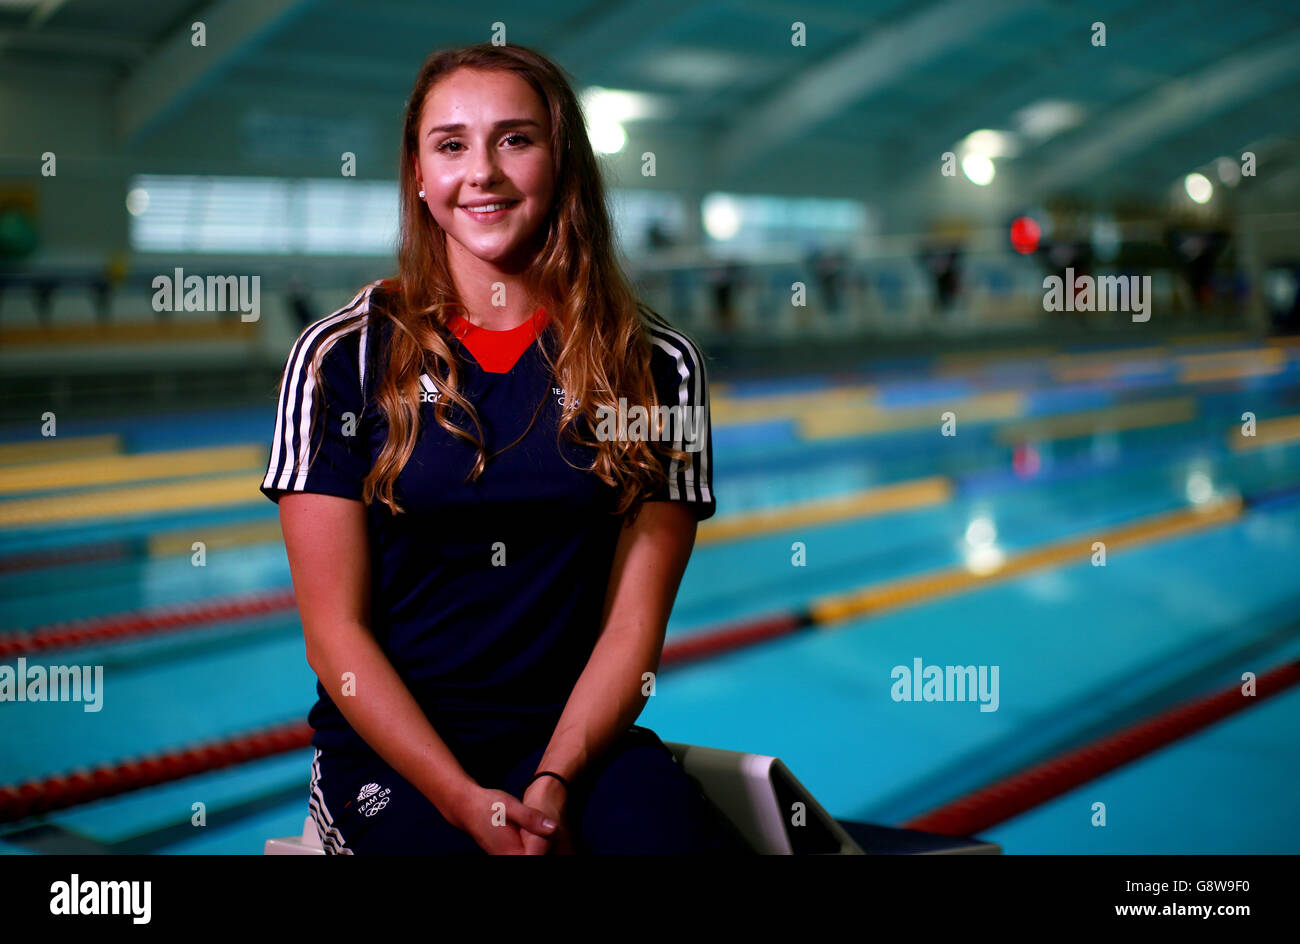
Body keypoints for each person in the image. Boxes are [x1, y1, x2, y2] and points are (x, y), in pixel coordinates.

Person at [258, 42, 746, 855]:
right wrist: (458, 797)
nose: (481, 171)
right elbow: (333, 633)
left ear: (563, 163)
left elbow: (632, 629)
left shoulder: (657, 368)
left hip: (573, 748)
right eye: (451, 145)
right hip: (392, 758)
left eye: (515, 139)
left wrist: (553, 780)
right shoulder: (341, 358)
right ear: (418, 173)